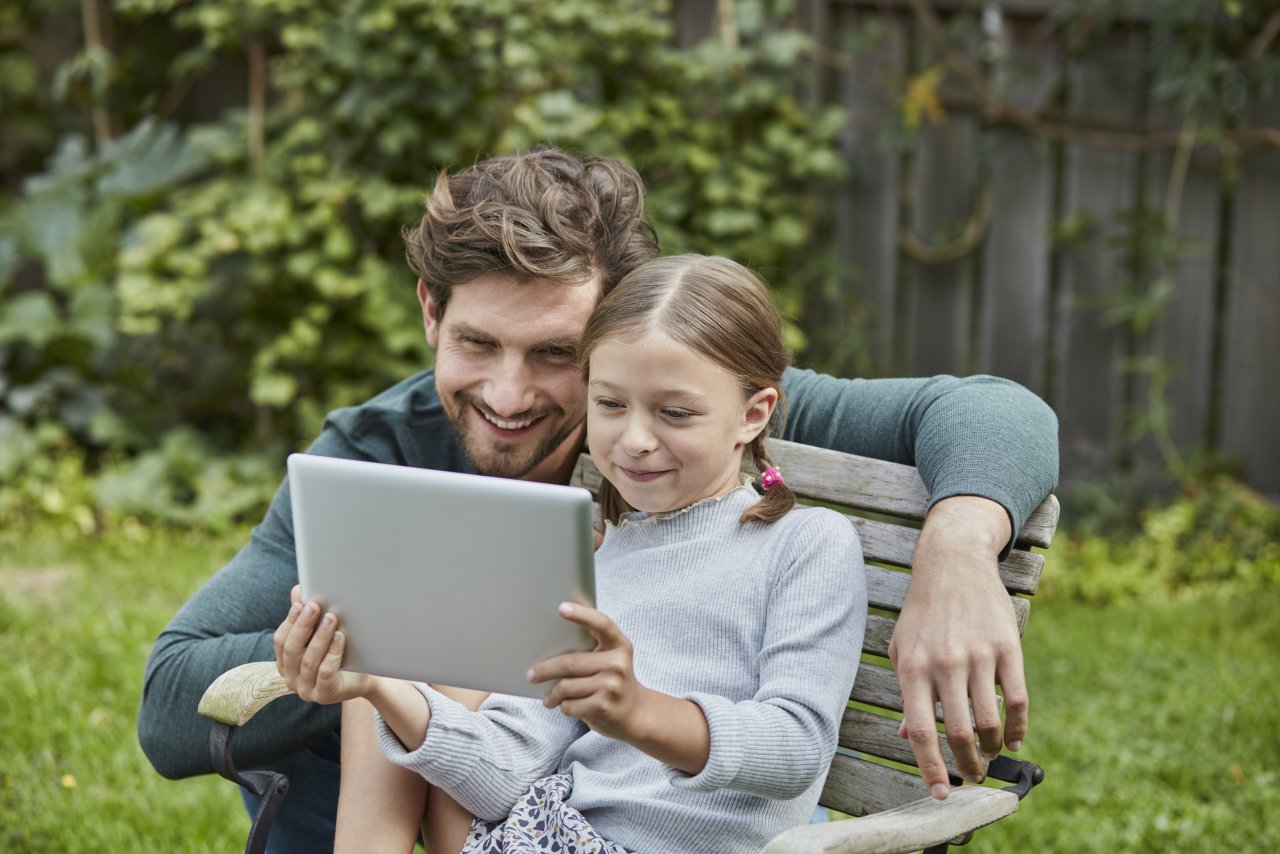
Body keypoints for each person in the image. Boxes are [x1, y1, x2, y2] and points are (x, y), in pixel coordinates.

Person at [137, 147, 1058, 852]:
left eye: (555, 356)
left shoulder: (686, 411)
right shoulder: (379, 453)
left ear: (620, 328)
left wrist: (962, 546)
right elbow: (172, 704)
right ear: (429, 311)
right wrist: (393, 652)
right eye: (476, 345)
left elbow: (990, 411)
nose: (506, 395)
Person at [274, 253, 869, 853]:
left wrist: (638, 711)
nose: (635, 440)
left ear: (752, 414)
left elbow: (796, 748)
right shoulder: (591, 560)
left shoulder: (806, 545)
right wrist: (376, 685)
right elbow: (504, 774)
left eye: (676, 413)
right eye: (610, 405)